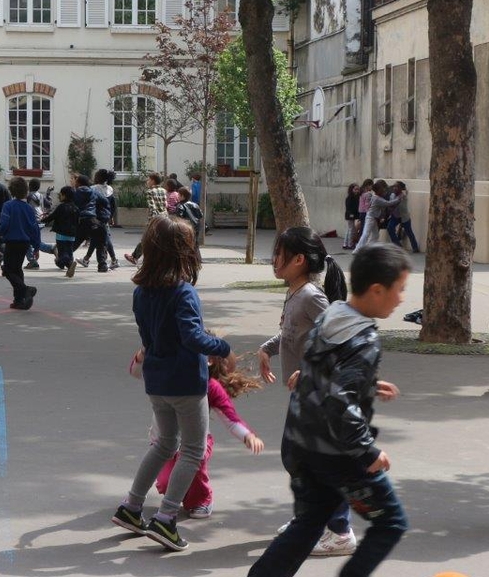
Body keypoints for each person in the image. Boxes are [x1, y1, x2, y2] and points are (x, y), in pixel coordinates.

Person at [248, 244, 410, 577]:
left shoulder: (332, 315)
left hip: (300, 441)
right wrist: (367, 451)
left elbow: (321, 371)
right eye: (400, 290)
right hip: (335, 453)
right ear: (377, 290)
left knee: (310, 521)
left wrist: (366, 384)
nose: (402, 299)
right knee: (391, 522)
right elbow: (339, 402)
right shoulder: (363, 339)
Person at [110, 216, 232, 552]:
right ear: (185, 252)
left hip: (157, 381)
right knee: (191, 449)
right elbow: (192, 337)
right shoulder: (183, 292)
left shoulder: (142, 293)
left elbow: (149, 339)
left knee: (163, 444)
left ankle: (131, 507)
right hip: (186, 384)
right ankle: (165, 520)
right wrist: (222, 348)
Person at [257, 227, 353, 555]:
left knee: (316, 461)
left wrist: (310, 368)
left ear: (298, 260)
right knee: (298, 458)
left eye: (279, 253)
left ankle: (339, 530)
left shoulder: (311, 295)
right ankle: (309, 518)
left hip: (321, 393)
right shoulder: (295, 291)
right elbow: (292, 332)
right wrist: (267, 348)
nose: (274, 258)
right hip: (305, 393)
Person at [135, 346, 264, 519]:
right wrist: (141, 355)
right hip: (164, 444)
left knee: (194, 461)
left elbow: (231, 418)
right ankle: (179, 492)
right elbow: (138, 372)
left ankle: (202, 499)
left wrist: (247, 435)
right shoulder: (166, 375)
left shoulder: (210, 386)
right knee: (167, 484)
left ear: (209, 361)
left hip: (196, 443)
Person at [0, 177, 52, 310]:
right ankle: (19, 300)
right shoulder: (28, 208)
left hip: (12, 241)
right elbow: (34, 228)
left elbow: (3, 224)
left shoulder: (8, 206)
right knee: (17, 269)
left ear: (11, 191)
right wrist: (36, 246)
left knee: (8, 270)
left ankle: (25, 289)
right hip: (24, 243)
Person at [69, 174, 111, 275]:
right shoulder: (94, 192)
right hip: (93, 220)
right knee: (101, 241)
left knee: (75, 242)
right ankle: (102, 264)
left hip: (81, 221)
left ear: (78, 183)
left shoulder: (74, 193)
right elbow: (105, 202)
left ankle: (65, 260)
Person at [79, 169, 120, 269]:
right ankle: (86, 259)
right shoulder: (109, 189)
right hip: (106, 216)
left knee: (104, 238)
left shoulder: (93, 189)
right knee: (97, 238)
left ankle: (114, 260)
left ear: (97, 177)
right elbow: (113, 205)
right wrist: (111, 217)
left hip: (95, 216)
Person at [125, 172, 168, 265]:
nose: (147, 181)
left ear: (153, 180)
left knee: (147, 238)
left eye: (148, 179)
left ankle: (136, 257)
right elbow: (165, 205)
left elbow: (152, 207)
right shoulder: (163, 190)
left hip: (155, 218)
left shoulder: (150, 192)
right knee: (159, 239)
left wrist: (151, 221)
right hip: (164, 217)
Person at [351, 180, 401, 251]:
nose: (384, 191)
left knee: (375, 235)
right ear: (378, 190)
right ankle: (357, 249)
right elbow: (388, 203)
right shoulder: (377, 199)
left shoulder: (375, 197)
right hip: (371, 218)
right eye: (382, 190)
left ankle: (369, 248)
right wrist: (399, 199)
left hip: (373, 218)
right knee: (366, 233)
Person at [40, 186, 80, 270]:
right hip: (72, 235)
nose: (59, 196)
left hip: (61, 234)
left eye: (60, 195)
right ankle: (69, 265)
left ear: (64, 196)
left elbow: (52, 217)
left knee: (62, 252)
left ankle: (65, 262)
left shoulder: (61, 207)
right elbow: (77, 222)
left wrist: (41, 221)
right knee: (69, 251)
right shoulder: (76, 208)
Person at [385, 181, 419, 253]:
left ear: (401, 188)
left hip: (404, 217)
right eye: (394, 186)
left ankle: (415, 247)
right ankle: (398, 246)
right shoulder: (392, 195)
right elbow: (390, 205)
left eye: (397, 187)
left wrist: (390, 206)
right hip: (395, 216)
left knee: (409, 232)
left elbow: (396, 206)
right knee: (390, 228)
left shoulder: (403, 196)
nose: (394, 188)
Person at [343, 183, 363, 250]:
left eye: (358, 189)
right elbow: (348, 207)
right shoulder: (350, 197)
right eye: (355, 189)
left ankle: (346, 244)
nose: (357, 191)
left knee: (349, 229)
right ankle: (349, 244)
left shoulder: (356, 197)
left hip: (352, 215)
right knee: (351, 229)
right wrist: (351, 214)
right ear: (351, 190)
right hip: (350, 215)